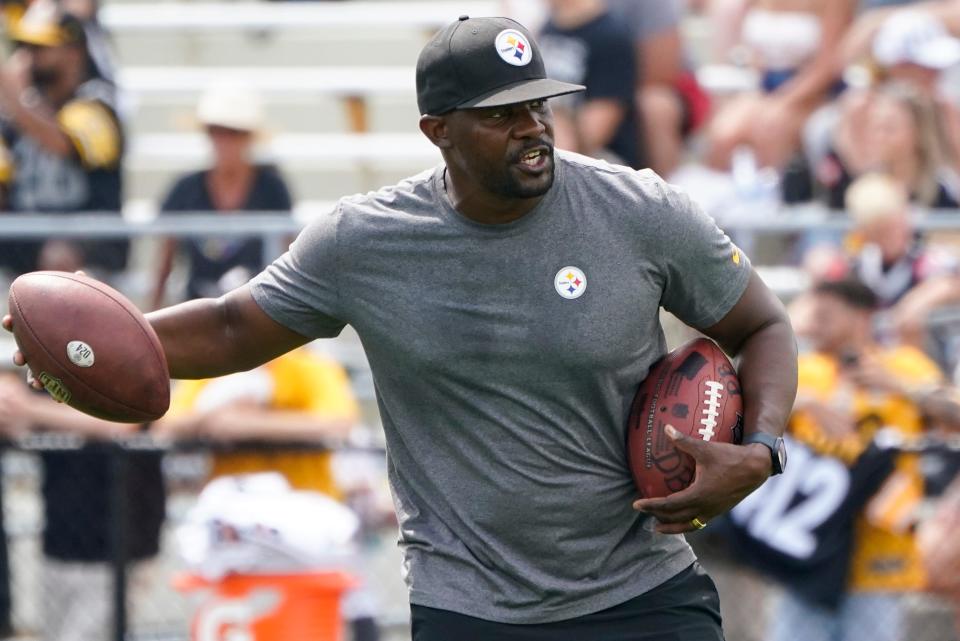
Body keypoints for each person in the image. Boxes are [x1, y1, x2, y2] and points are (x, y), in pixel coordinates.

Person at [5, 16, 798, 641]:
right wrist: (85, 342)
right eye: (501, 114)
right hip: (470, 605)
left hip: (642, 593)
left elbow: (763, 323)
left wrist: (760, 450)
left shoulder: (638, 210)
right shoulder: (365, 241)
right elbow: (232, 325)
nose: (533, 127)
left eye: (539, 103)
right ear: (437, 130)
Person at [730, 278, 949, 641]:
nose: (818, 321)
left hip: (878, 556)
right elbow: (742, 409)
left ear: (862, 316)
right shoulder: (806, 369)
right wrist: (808, 404)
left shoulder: (902, 365)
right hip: (807, 556)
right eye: (815, 311)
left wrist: (903, 389)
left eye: (828, 313)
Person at [0, 376, 165, 641]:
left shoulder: (126, 355)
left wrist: (29, 408)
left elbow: (125, 425)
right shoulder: (46, 361)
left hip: (119, 543)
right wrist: (11, 399)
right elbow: (17, 415)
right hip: (60, 539)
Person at [0, 0, 126, 278]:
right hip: (26, 240)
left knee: (58, 256)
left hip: (88, 241)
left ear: (74, 51)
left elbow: (60, 143)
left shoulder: (98, 103)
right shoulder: (14, 117)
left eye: (40, 47)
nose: (28, 56)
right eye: (24, 47)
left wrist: (15, 99)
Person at [150, 83, 294, 309]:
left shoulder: (272, 189)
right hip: (196, 312)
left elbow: (289, 257)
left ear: (249, 138)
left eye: (234, 133)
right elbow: (164, 262)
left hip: (258, 313)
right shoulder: (185, 189)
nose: (224, 141)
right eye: (216, 131)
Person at [537, 0, 641, 168]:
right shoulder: (549, 27)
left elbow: (596, 130)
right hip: (550, 137)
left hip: (601, 158)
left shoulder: (610, 35)